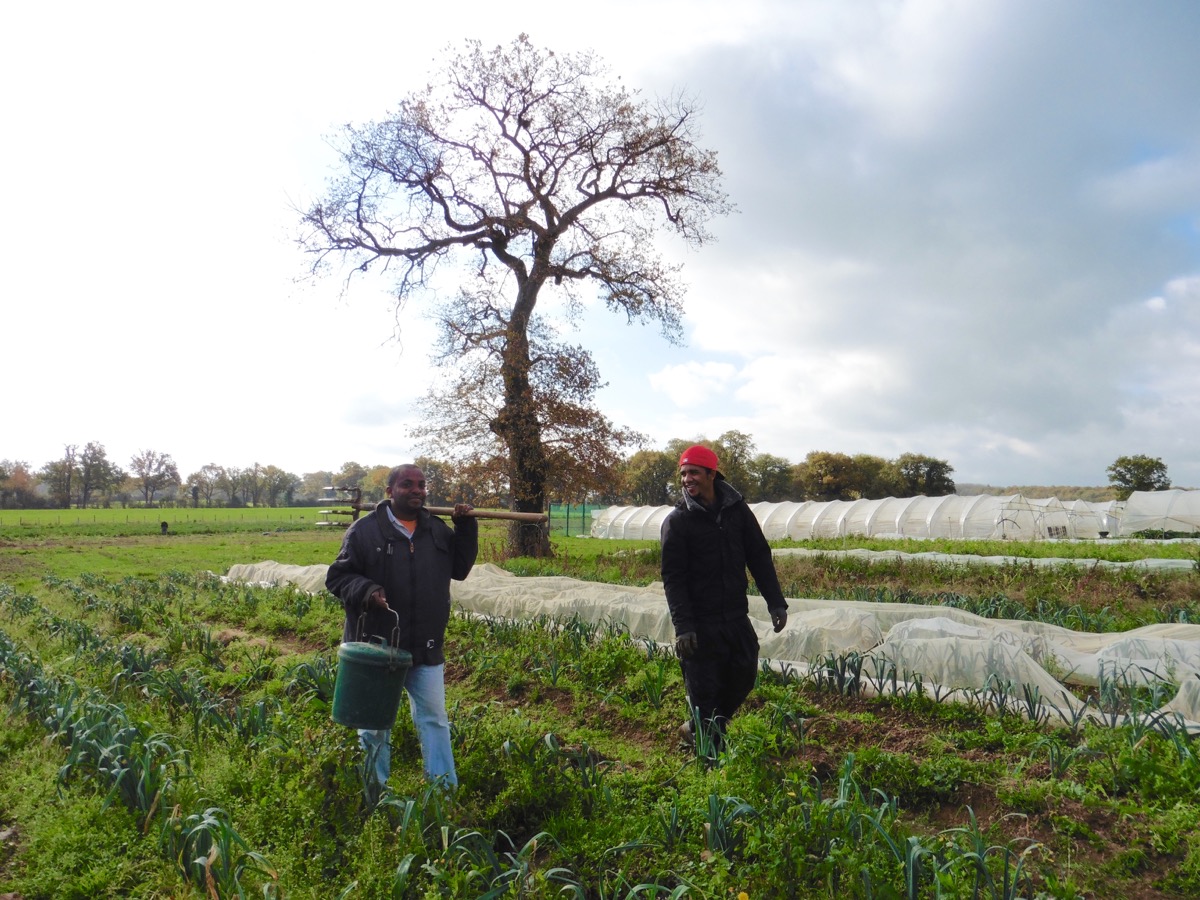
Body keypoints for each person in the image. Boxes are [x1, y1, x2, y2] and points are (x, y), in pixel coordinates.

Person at [326, 464, 478, 788]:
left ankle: (443, 792)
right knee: (374, 726)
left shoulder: (436, 530)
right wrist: (366, 590)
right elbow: (337, 577)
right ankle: (375, 795)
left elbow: (461, 569)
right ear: (390, 491)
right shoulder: (365, 532)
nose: (417, 490)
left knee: (435, 719)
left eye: (421, 485)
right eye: (407, 484)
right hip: (377, 649)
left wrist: (465, 527)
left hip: (425, 646)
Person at [660, 445, 788, 752]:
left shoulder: (736, 511)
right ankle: (710, 765)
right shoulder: (678, 522)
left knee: (745, 673)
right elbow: (673, 578)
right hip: (700, 623)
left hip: (734, 616)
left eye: (693, 472)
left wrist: (776, 601)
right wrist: (684, 626)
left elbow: (758, 554)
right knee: (705, 694)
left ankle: (695, 729)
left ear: (711, 474)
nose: (686, 479)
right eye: (683, 473)